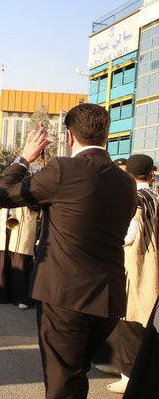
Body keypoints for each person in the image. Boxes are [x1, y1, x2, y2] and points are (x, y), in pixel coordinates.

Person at [0, 103, 137, 399]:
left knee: (62, 384)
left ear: (70, 136)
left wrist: (24, 159)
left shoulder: (63, 169)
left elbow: (3, 195)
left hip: (65, 296)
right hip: (107, 298)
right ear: (106, 135)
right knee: (76, 376)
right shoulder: (127, 182)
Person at [94, 154, 159, 394]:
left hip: (133, 264)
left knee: (129, 318)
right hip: (151, 262)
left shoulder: (135, 199)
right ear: (151, 176)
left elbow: (128, 236)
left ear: (127, 175)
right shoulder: (153, 195)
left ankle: (128, 374)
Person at [0, 204, 38, 309]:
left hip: (24, 220)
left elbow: (37, 204)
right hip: (4, 220)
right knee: (3, 257)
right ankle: (2, 294)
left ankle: (22, 297)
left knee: (20, 258)